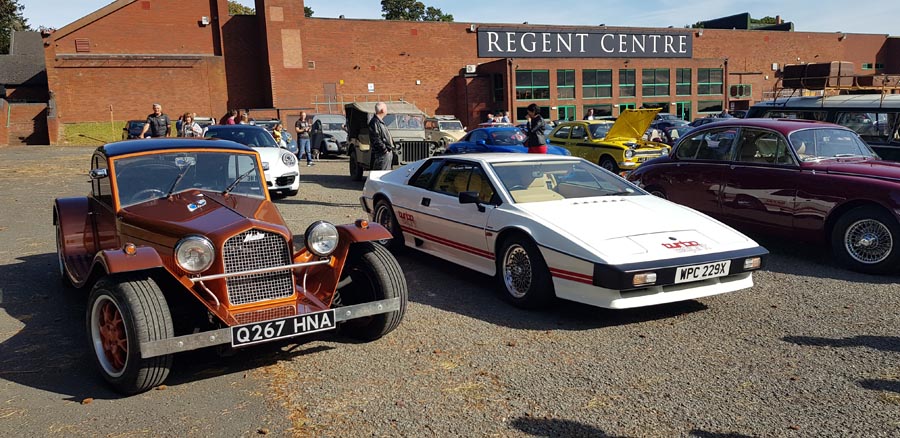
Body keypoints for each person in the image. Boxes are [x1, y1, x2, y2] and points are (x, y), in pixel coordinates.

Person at [368, 102, 395, 171]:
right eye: (386, 108)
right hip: (382, 154)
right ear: (382, 110)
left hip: (386, 153)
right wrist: (385, 150)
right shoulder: (374, 122)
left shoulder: (380, 122)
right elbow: (376, 139)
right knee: (382, 174)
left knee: (386, 173)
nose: (387, 110)